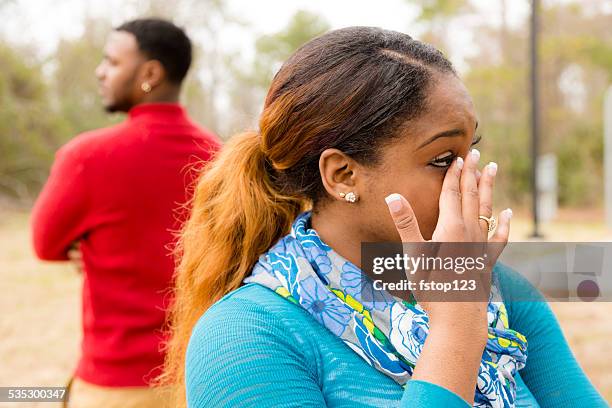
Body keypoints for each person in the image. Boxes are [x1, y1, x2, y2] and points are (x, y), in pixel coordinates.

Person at [164, 27, 607, 407]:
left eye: (471, 151)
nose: (468, 178)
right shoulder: (246, 335)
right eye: (441, 159)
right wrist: (456, 328)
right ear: (343, 175)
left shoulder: (500, 290)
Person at [31, 18, 221, 408]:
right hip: (199, 379)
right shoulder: (219, 157)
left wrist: (92, 249)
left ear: (149, 72)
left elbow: (45, 244)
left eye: (112, 62)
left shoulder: (86, 158)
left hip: (115, 386)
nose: (100, 72)